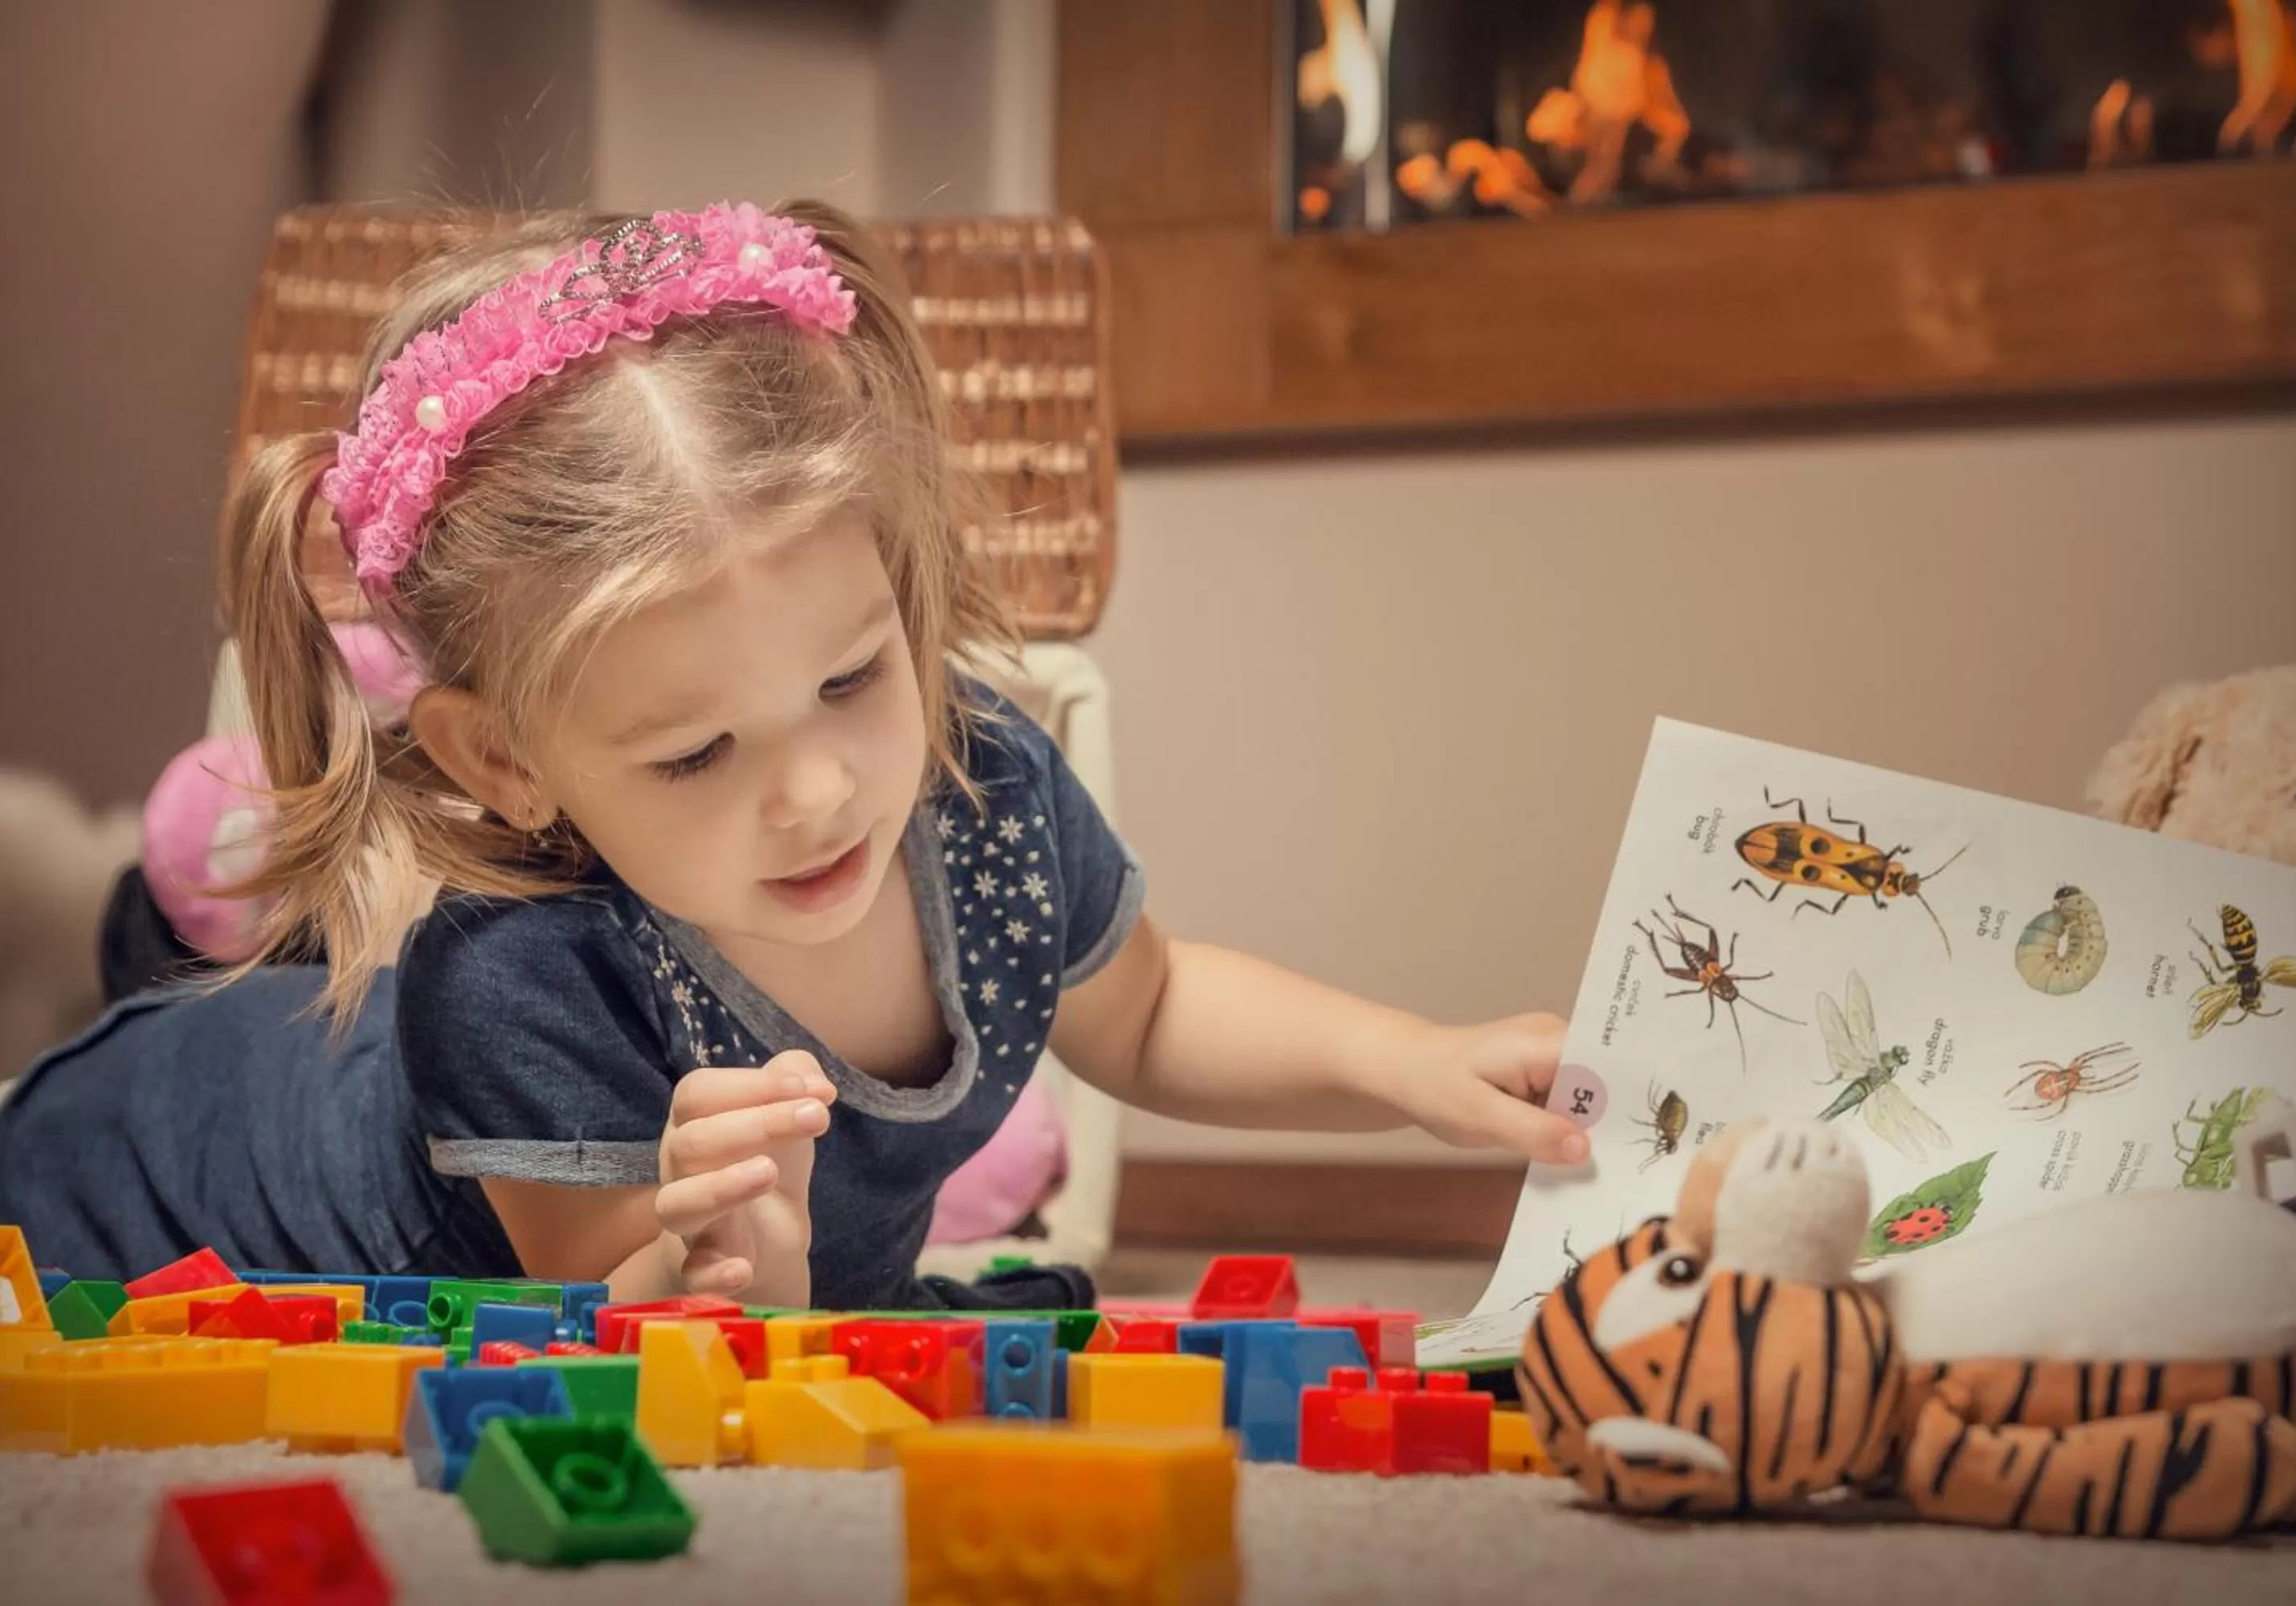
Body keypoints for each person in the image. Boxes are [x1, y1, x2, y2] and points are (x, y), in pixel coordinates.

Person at [0, 202, 1590, 1312]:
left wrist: (1410, 1066)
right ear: (508, 761)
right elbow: (612, 1320)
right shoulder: (515, 973)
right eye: (696, 755)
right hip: (147, 1175)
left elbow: (1154, 1005)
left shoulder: (983, 795)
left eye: (852, 676)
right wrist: (720, 1273)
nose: (820, 787)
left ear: (908, 599)